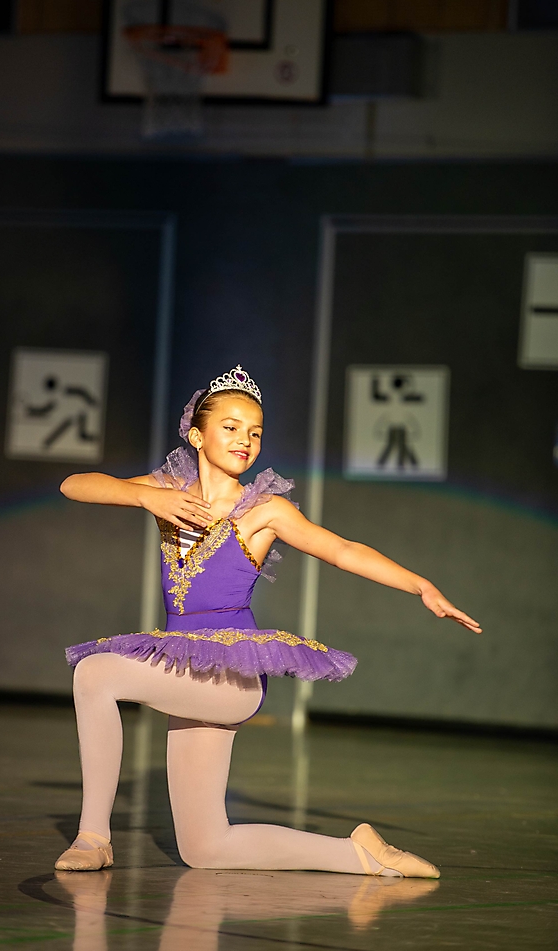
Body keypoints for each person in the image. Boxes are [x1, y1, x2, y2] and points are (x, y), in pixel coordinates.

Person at [55, 365, 481, 876]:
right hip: (184, 668)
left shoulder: (263, 511)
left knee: (94, 674)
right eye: (231, 427)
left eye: (255, 432)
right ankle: (360, 854)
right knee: (205, 849)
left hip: (228, 676)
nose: (245, 440)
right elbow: (74, 485)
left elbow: (342, 550)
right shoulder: (169, 490)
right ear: (197, 435)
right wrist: (146, 494)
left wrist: (419, 585)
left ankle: (94, 837)